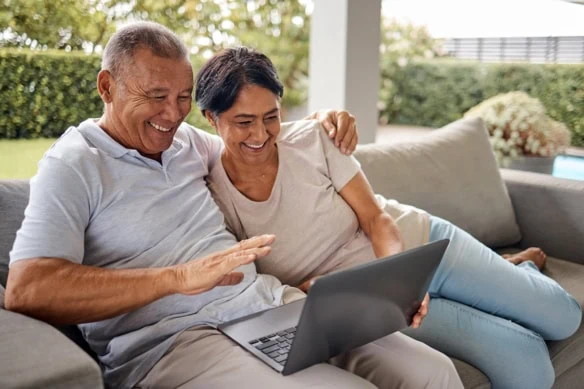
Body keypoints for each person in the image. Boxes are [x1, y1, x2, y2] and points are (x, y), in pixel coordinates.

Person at [3, 22, 460, 389]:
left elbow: (250, 135)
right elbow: (29, 290)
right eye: (155, 96)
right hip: (175, 343)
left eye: (183, 97)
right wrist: (179, 278)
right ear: (106, 86)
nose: (170, 114)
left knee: (432, 371)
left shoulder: (184, 142)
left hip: (266, 306)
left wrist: (322, 123)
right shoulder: (74, 164)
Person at [201, 46, 583, 389]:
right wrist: (321, 290)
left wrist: (399, 284)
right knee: (529, 370)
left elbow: (375, 218)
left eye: (271, 116)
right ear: (210, 119)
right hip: (371, 302)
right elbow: (254, 287)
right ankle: (512, 269)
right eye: (243, 122)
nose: (261, 134)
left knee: (565, 318)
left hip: (419, 247)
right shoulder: (208, 195)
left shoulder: (313, 139)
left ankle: (521, 269)